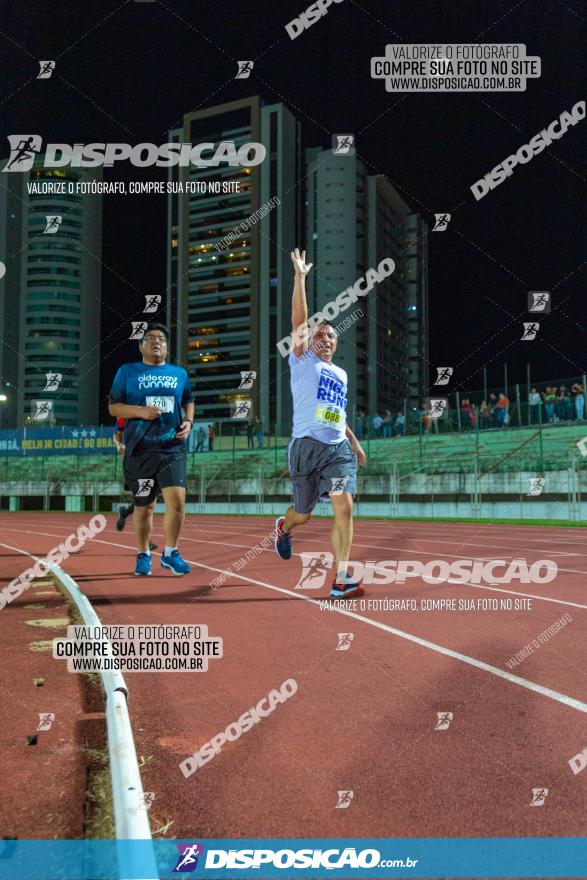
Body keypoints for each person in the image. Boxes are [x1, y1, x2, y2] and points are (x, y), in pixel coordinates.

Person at [274, 248, 367, 599]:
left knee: (344, 504)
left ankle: (342, 578)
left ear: (336, 342)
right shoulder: (301, 360)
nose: (326, 338)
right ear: (312, 341)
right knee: (304, 513)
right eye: (320, 334)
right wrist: (300, 277)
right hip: (304, 449)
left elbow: (336, 412)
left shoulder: (340, 374)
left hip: (337, 451)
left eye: (331, 336)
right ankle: (283, 528)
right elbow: (299, 322)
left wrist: (353, 443)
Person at [108, 322, 194, 577]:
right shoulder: (127, 372)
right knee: (144, 506)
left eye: (162, 339)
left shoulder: (179, 374)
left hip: (172, 449)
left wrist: (188, 422)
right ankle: (143, 553)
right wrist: (140, 412)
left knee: (177, 503)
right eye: (150, 338)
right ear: (141, 346)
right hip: (141, 450)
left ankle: (170, 552)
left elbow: (188, 400)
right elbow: (114, 408)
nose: (157, 342)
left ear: (167, 347)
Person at [113, 418, 158, 549]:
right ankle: (146, 540)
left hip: (150, 461)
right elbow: (117, 435)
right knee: (143, 501)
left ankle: (124, 513)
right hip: (134, 462)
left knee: (145, 501)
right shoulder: (125, 413)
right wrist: (119, 446)